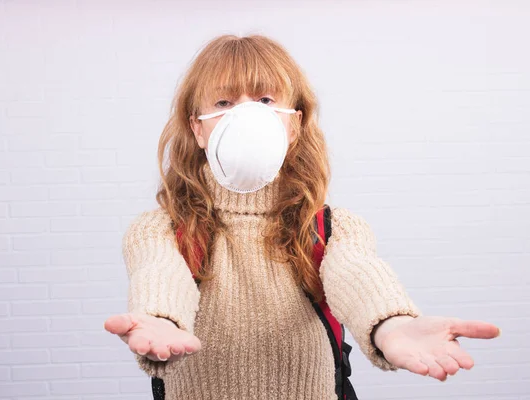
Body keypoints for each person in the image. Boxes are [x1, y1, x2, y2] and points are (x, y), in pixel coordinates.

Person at [104, 34, 500, 400]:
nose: (246, 117)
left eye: (264, 101)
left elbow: (355, 273)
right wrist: (160, 321)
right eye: (223, 104)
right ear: (198, 129)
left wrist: (393, 325)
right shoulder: (158, 229)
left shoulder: (334, 226)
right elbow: (159, 275)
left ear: (293, 123)